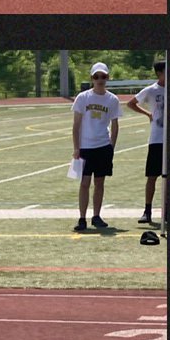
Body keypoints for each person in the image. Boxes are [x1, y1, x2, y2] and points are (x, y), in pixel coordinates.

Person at [71, 62, 121, 232]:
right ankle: (82, 218)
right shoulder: (83, 98)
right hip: (86, 147)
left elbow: (115, 124)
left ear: (107, 78)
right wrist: (76, 148)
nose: (100, 80)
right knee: (85, 183)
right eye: (96, 76)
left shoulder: (112, 100)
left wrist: (111, 147)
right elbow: (76, 125)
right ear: (92, 78)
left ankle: (97, 216)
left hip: (103, 147)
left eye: (103, 76)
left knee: (99, 183)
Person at [126, 60, 166, 231]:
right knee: (152, 176)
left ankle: (167, 211)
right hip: (157, 138)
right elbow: (131, 103)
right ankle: (147, 211)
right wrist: (148, 113)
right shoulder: (151, 90)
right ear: (159, 73)